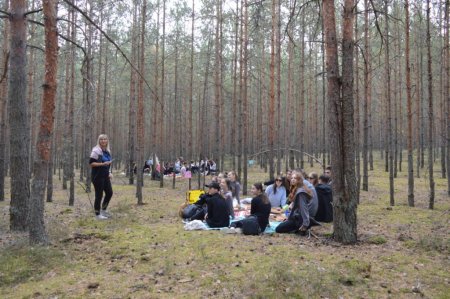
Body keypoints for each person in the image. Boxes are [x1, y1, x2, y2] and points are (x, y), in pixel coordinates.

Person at [89, 134, 113, 220]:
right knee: (99, 195)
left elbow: (109, 163)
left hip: (105, 176)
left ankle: (103, 210)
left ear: (107, 141)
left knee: (109, 193)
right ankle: (97, 214)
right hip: (97, 176)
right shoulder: (96, 151)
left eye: (105, 139)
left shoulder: (107, 151)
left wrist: (109, 172)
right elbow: (91, 163)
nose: (103, 141)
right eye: (101, 139)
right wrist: (102, 164)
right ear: (99, 141)